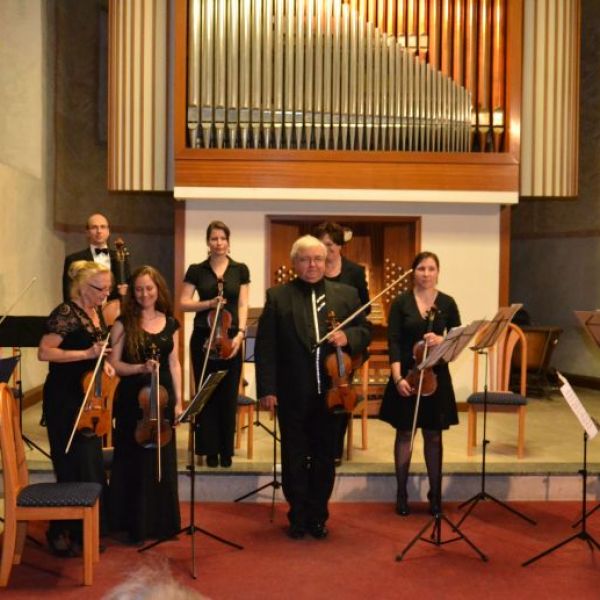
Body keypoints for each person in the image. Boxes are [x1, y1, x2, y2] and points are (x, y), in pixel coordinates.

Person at [255, 235, 371, 539]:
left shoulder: (346, 295)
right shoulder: (278, 296)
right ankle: (297, 515)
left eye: (318, 259)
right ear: (295, 263)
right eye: (305, 259)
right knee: (294, 456)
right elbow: (266, 346)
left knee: (324, 457)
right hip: (292, 392)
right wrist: (267, 389)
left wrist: (349, 337)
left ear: (326, 260)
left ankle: (318, 515)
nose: (312, 265)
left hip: (333, 393)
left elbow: (365, 332)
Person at [38, 260, 114, 557]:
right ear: (82, 287)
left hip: (89, 400)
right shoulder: (65, 313)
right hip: (65, 400)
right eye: (100, 289)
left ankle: (85, 530)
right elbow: (45, 352)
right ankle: (58, 531)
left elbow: (97, 352)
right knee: (69, 465)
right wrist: (86, 353)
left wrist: (104, 364)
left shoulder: (96, 313)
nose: (105, 294)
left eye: (108, 289)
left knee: (89, 465)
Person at [379, 251, 461, 517]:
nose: (426, 273)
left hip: (436, 378)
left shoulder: (447, 303)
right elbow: (393, 341)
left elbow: (457, 340)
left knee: (434, 436)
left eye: (431, 268)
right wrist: (397, 378)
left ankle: (435, 496)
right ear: (413, 272)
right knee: (405, 434)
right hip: (407, 375)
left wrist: (442, 340)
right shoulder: (401, 303)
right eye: (421, 268)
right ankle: (401, 493)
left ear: (438, 272)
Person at [108, 266, 182, 544]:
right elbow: (115, 364)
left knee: (162, 461)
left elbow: (174, 363)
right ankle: (134, 524)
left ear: (158, 289)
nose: (144, 294)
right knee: (135, 461)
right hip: (133, 401)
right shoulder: (123, 323)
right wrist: (140, 367)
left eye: (149, 288)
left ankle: (162, 523)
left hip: (163, 399)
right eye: (138, 289)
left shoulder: (171, 323)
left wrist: (179, 401)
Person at [180, 221, 249, 468]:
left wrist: (241, 334)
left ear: (228, 242)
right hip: (204, 337)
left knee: (228, 394)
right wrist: (208, 304)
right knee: (206, 393)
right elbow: (183, 303)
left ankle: (226, 450)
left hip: (231, 337)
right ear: (208, 242)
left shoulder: (240, 269)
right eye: (214, 238)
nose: (218, 243)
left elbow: (243, 304)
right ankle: (209, 449)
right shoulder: (196, 270)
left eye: (222, 238)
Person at [313, 221, 370, 465]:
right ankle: (316, 445)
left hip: (345, 347)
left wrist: (345, 333)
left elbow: (365, 310)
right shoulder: (312, 270)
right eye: (323, 244)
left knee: (340, 392)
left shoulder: (354, 272)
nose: (328, 249)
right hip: (319, 343)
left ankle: (335, 449)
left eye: (332, 244)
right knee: (316, 394)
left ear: (340, 245)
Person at [62, 213, 130, 303]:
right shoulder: (73, 259)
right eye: (94, 227)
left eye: (103, 227)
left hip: (113, 309)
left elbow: (128, 288)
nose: (99, 231)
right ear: (87, 232)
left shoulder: (120, 258)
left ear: (108, 231)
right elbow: (69, 295)